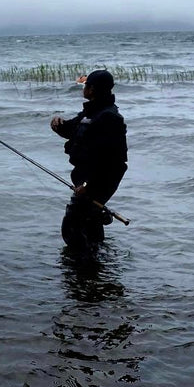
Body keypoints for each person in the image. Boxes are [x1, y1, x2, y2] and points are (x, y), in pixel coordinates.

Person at [50, 69, 127, 251]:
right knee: (89, 222)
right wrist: (57, 125)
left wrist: (88, 186)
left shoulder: (109, 117)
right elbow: (72, 130)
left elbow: (111, 161)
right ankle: (95, 265)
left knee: (73, 224)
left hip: (99, 181)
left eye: (86, 85)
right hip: (86, 179)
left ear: (92, 89)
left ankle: (84, 269)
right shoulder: (92, 111)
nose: (83, 89)